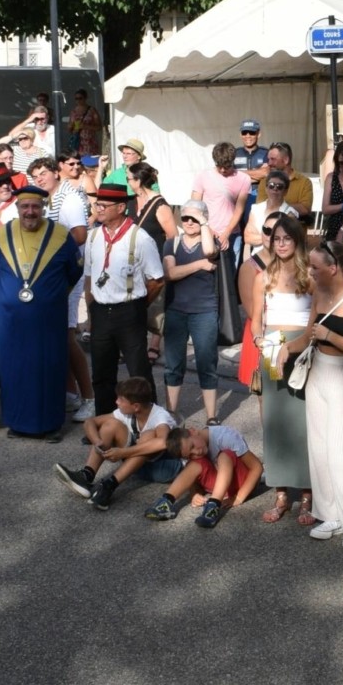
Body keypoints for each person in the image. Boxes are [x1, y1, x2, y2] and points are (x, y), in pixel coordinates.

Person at [0, 186, 83, 440]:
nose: (30, 212)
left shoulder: (61, 235)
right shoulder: (2, 236)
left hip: (48, 320)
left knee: (48, 368)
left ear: (43, 208)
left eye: (36, 207)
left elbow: (74, 271)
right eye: (25, 207)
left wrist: (52, 294)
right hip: (11, 322)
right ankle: (17, 424)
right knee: (13, 369)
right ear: (17, 208)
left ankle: (51, 425)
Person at [293, 241, 343, 544]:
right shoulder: (318, 293)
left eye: (315, 266)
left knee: (340, 451)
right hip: (318, 371)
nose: (310, 271)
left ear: (333, 268)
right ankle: (330, 514)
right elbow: (306, 337)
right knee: (320, 448)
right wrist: (280, 348)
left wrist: (330, 335)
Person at [253, 215, 316, 526]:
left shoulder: (311, 276)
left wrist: (301, 344)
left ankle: (307, 493)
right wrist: (257, 339)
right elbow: (255, 320)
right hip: (272, 346)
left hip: (302, 348)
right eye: (276, 238)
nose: (280, 244)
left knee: (303, 420)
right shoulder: (262, 276)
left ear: (297, 241)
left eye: (286, 239)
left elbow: (317, 320)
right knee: (274, 420)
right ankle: (280, 490)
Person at [84, 183, 164, 416]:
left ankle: (150, 424)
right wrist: (91, 312)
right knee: (101, 373)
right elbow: (89, 277)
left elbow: (157, 279)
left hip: (129, 311)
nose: (98, 209)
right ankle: (105, 424)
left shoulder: (139, 237)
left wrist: (138, 305)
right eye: (97, 204)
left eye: (103, 205)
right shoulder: (93, 237)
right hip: (100, 311)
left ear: (121, 207)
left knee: (139, 372)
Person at [58, 376, 179, 507]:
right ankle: (86, 475)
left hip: (164, 468)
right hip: (137, 465)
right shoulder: (127, 411)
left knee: (148, 436)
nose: (116, 402)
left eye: (121, 399)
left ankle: (109, 486)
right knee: (110, 425)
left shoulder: (160, 416)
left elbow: (162, 442)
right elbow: (90, 422)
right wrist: (98, 441)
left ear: (136, 406)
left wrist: (123, 453)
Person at [158, 201, 223, 424]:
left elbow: (209, 252)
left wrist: (204, 223)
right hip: (176, 310)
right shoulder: (171, 243)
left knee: (207, 363)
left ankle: (212, 416)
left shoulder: (210, 241)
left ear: (204, 219)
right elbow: (170, 273)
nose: (189, 222)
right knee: (173, 364)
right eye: (185, 217)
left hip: (204, 311)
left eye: (194, 219)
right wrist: (200, 266)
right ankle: (171, 412)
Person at [266, 142, 316, 218]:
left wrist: (276, 206)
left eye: (273, 159)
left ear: (286, 160)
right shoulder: (265, 181)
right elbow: (261, 206)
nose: (269, 163)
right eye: (268, 159)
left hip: (294, 228)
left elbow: (305, 209)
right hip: (268, 228)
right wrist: (290, 207)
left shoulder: (304, 182)